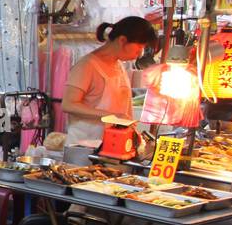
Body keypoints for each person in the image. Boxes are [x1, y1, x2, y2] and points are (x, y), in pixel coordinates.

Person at [62, 17, 159, 146]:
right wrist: (112, 116)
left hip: (115, 145)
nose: (140, 53)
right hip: (86, 146)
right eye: (139, 47)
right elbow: (68, 104)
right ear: (122, 40)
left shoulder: (119, 65)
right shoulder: (86, 66)